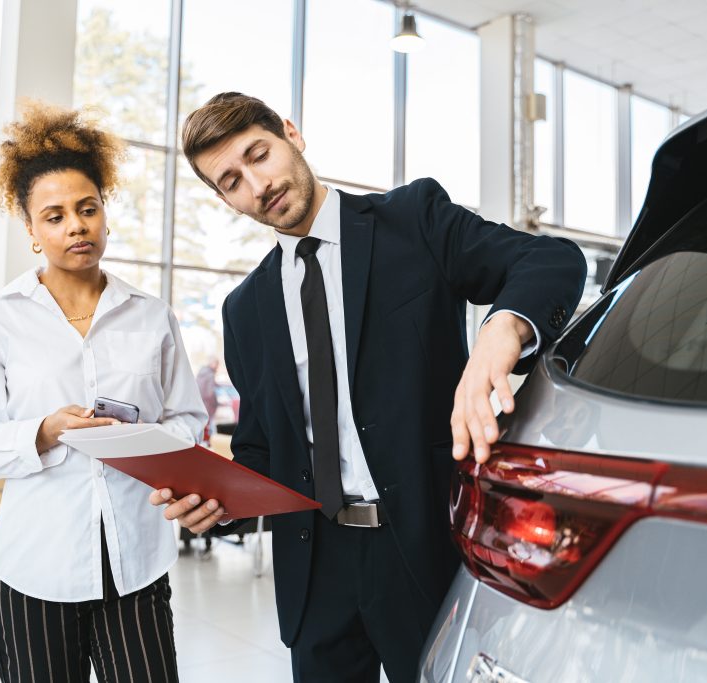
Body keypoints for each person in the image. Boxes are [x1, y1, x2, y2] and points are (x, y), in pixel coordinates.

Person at [149, 92, 588, 682]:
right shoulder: (246, 308)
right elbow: (263, 447)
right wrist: (217, 499)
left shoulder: (414, 220)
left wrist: (500, 332)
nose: (257, 184)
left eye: (259, 154)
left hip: (423, 548)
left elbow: (551, 260)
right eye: (231, 181)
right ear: (224, 199)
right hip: (315, 566)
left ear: (291, 133)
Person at [0, 102, 206, 683]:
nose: (76, 227)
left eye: (87, 210)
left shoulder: (152, 318)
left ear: (105, 215)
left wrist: (147, 442)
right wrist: (43, 431)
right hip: (36, 567)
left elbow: (189, 419)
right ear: (32, 230)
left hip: (135, 563)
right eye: (55, 216)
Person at [196, 356, 219, 437]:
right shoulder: (210, 375)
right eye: (217, 364)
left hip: (200, 404)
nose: (217, 366)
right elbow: (210, 393)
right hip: (209, 406)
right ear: (212, 363)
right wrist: (216, 403)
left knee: (201, 427)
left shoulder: (201, 373)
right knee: (211, 429)